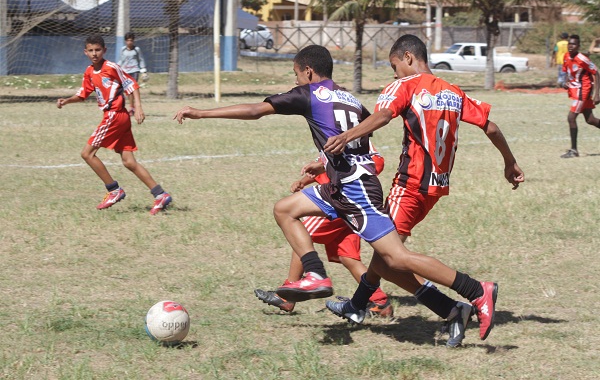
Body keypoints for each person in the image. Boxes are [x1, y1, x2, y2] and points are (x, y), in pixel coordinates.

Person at [174, 44, 518, 343]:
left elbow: (255, 111)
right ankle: (316, 275)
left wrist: (201, 112)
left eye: (296, 74)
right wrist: (322, 163)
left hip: (357, 189)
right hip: (340, 184)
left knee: (394, 258)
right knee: (285, 209)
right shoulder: (351, 99)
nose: (295, 81)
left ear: (308, 72)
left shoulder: (311, 93)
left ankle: (474, 291)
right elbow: (357, 142)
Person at [322, 34, 525, 342]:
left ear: (407, 57)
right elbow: (491, 127)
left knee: (392, 258)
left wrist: (348, 136)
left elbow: (383, 115)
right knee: (384, 253)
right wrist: (509, 163)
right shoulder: (453, 91)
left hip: (410, 183)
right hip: (435, 187)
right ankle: (358, 304)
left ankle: (472, 293)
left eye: (394, 65)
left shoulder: (406, 85)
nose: (394, 73)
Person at [254, 143, 394, 318]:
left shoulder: (354, 132)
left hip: (336, 201)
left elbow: (377, 162)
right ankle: (380, 302)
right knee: (348, 257)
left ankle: (286, 296)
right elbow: (325, 164)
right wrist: (304, 181)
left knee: (302, 237)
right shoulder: (330, 132)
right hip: (344, 203)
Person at [56, 34, 172, 215]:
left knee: (87, 154)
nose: (95, 54)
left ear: (104, 50)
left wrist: (139, 108)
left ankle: (114, 190)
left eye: (98, 50)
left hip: (115, 115)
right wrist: (67, 101)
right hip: (118, 118)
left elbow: (131, 84)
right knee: (128, 162)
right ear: (85, 52)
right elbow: (83, 94)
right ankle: (160, 194)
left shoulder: (112, 67)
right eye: (91, 50)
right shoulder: (89, 72)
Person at [560, 34, 600, 158]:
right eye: (569, 44)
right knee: (590, 120)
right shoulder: (566, 56)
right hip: (575, 90)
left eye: (574, 44)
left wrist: (597, 94)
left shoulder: (582, 59)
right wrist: (566, 82)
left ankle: (574, 150)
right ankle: (573, 150)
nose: (571, 46)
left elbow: (596, 73)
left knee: (571, 118)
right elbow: (567, 72)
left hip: (583, 92)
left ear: (578, 46)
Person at [118, 32, 148, 115]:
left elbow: (141, 59)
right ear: (125, 41)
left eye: (131, 40)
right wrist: (117, 68)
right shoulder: (123, 49)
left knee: (132, 90)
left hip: (134, 71)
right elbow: (121, 60)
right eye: (128, 40)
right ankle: (132, 106)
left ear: (133, 41)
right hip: (125, 71)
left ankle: (132, 108)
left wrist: (143, 70)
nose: (129, 42)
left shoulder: (136, 49)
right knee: (127, 91)